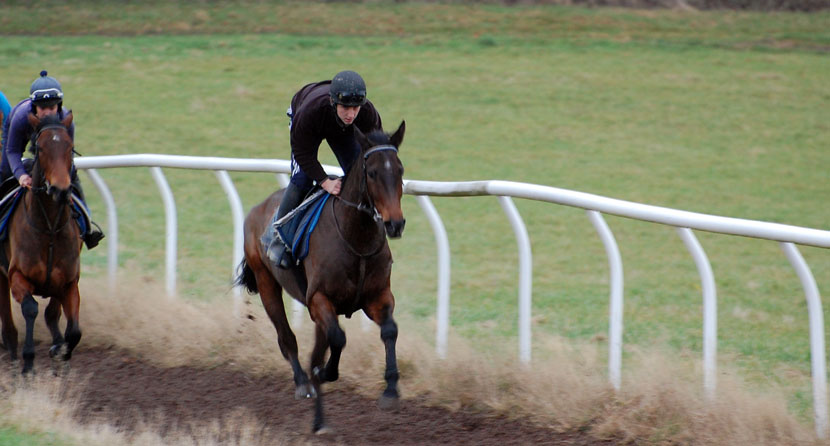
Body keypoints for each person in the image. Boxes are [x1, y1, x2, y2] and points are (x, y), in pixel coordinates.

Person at [265, 70, 383, 268]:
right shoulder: (311, 112)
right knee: (302, 179)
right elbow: (302, 153)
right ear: (334, 102)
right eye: (346, 107)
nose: (351, 114)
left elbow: (375, 153)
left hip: (339, 129)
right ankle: (278, 237)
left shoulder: (368, 114)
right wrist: (324, 181)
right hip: (305, 117)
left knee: (358, 173)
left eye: (356, 108)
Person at [1, 71, 104, 249]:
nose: (48, 112)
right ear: (34, 107)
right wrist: (21, 176)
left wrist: (65, 179)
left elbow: (66, 156)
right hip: (16, 140)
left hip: (54, 150)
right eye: (42, 108)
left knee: (73, 182)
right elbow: (13, 150)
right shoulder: (21, 117)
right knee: (4, 173)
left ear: (60, 105)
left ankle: (87, 228)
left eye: (52, 107)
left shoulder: (66, 121)